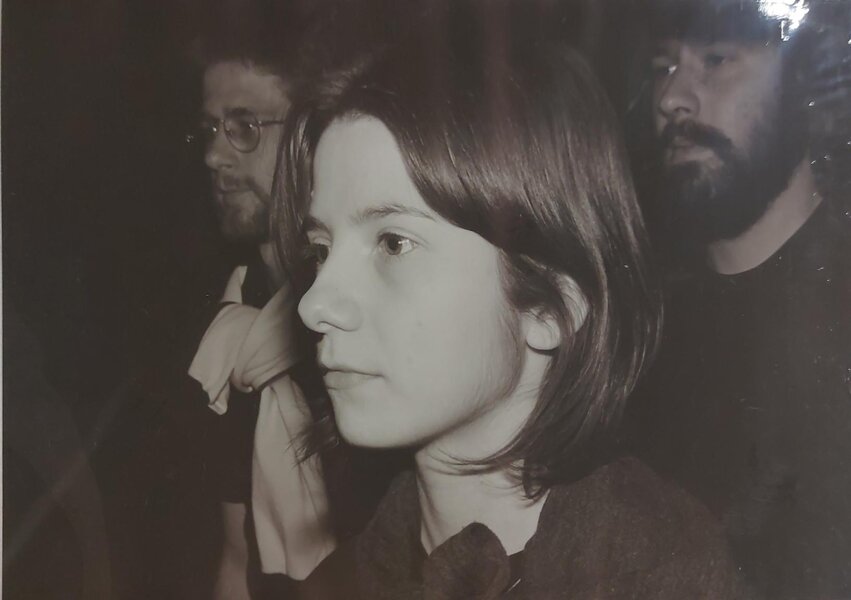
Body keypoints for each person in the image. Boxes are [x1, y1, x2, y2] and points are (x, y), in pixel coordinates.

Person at [272, 3, 747, 598]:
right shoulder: (336, 586)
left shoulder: (661, 576)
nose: (315, 303)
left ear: (551, 306)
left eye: (394, 242)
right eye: (321, 250)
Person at [630, 0, 851, 596]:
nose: (672, 98)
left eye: (717, 59)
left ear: (803, 79)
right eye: (661, 67)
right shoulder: (636, 325)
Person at [185, 11, 335, 599]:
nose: (213, 157)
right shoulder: (237, 324)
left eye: (244, 126)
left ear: (310, 133)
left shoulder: (350, 319)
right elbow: (236, 556)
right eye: (211, 129)